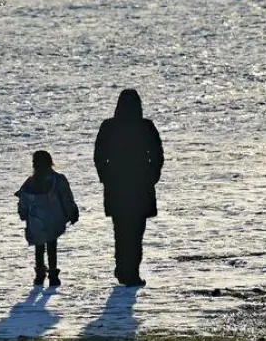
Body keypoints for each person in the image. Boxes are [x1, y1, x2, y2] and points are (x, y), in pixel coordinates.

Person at [94, 89, 163, 287]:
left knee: (121, 231)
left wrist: (106, 177)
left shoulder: (109, 126)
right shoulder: (145, 126)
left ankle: (123, 269)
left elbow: (99, 155)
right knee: (136, 232)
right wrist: (152, 176)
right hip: (140, 187)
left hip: (117, 187)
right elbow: (157, 154)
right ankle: (130, 271)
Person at [16, 150, 80, 288]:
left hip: (36, 221)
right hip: (53, 220)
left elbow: (23, 201)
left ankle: (39, 275)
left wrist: (22, 213)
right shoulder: (58, 179)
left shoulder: (30, 182)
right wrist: (72, 212)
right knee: (52, 245)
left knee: (39, 247)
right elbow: (66, 198)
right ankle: (53, 275)